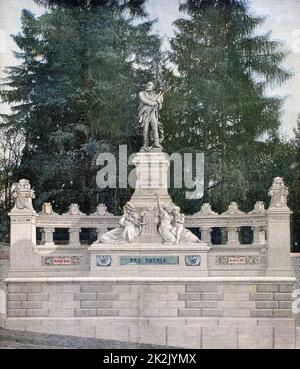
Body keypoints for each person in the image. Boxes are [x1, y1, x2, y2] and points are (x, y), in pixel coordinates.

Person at [137, 82, 164, 151]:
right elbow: (144, 100)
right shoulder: (142, 93)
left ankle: (156, 143)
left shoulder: (156, 96)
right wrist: (153, 103)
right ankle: (145, 144)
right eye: (147, 85)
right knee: (145, 129)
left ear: (153, 87)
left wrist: (159, 101)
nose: (147, 86)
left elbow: (159, 107)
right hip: (145, 113)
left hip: (152, 113)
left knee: (155, 128)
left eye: (149, 85)